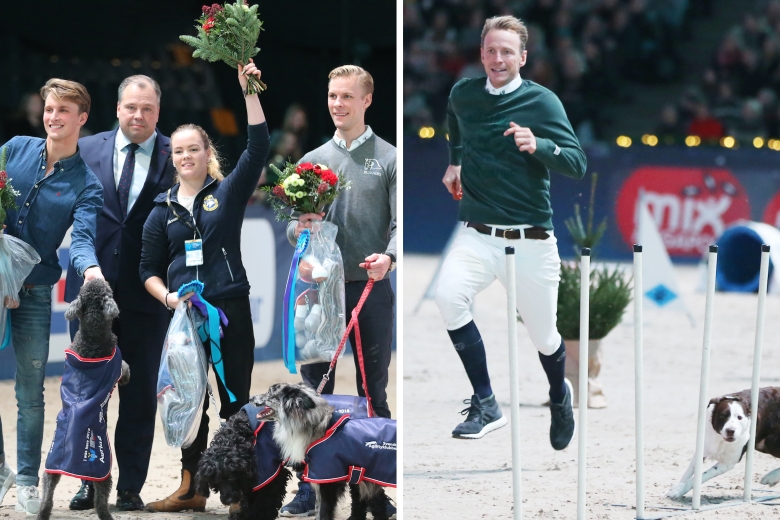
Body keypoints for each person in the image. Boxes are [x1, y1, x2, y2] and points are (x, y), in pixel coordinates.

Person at [436, 16, 586, 447]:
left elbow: (577, 164)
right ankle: (486, 403)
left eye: (506, 52)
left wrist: (538, 144)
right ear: (481, 54)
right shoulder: (464, 92)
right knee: (448, 296)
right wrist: (456, 159)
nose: (497, 58)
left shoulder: (543, 103)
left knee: (544, 337)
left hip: (532, 241)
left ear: (522, 57)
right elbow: (453, 119)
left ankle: (560, 393)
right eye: (490, 50)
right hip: (477, 232)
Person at [139, 59, 269, 513]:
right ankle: (192, 489)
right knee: (189, 403)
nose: (186, 157)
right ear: (170, 157)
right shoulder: (162, 210)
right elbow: (146, 270)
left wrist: (248, 88)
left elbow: (258, 146)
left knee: (235, 402)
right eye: (178, 151)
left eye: (193, 149)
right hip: (185, 319)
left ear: (205, 151)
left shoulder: (226, 194)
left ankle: (238, 493)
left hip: (230, 310)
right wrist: (170, 297)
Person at [282, 65, 396, 518]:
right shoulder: (311, 160)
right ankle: (311, 486)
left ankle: (375, 489)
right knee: (311, 393)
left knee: (374, 393)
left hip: (370, 287)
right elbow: (293, 225)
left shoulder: (388, 158)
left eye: (347, 96)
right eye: (332, 96)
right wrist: (299, 233)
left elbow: (399, 224)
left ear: (367, 100)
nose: (337, 104)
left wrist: (389, 257)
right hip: (320, 292)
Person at [63, 75, 175, 512]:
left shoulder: (175, 152)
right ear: (117, 108)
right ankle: (89, 480)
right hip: (93, 295)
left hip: (149, 296)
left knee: (140, 394)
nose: (139, 115)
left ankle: (129, 484)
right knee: (89, 395)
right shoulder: (87, 149)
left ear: (158, 112)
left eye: (147, 109)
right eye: (131, 107)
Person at [0, 78, 104, 515]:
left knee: (30, 392)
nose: (53, 117)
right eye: (49, 108)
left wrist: (92, 270)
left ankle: (26, 479)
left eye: (64, 110)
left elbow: (80, 241)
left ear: (81, 119)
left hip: (36, 291)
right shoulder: (13, 149)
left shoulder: (87, 184)